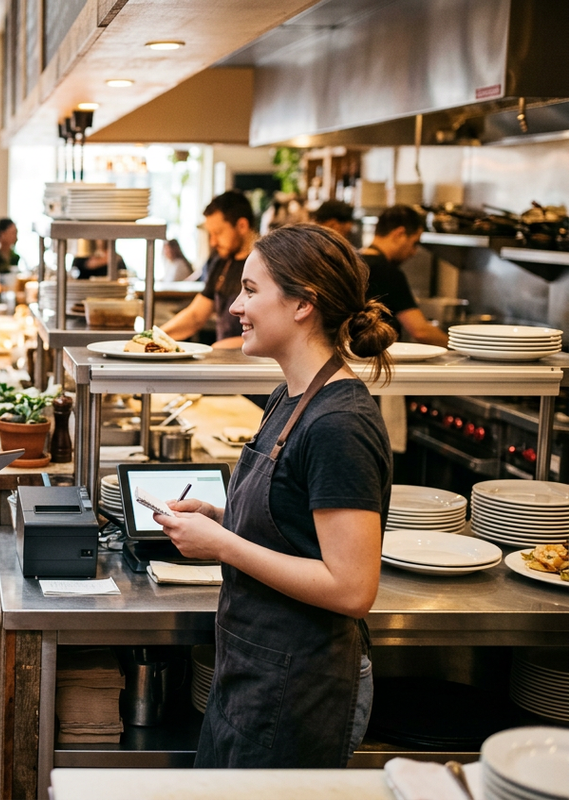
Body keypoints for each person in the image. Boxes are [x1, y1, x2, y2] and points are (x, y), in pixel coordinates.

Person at [155, 223, 395, 768]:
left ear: (303, 304)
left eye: (251, 289)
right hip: (255, 669)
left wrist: (222, 544)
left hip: (302, 684)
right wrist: (220, 516)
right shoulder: (288, 397)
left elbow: (352, 587)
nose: (236, 305)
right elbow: (293, 525)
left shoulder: (340, 424)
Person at [160, 191, 257, 349]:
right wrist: (154, 337)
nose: (213, 242)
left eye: (218, 233)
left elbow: (277, 332)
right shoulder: (220, 263)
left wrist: (222, 346)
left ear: (242, 226)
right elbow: (196, 316)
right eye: (210, 234)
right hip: (223, 359)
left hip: (256, 364)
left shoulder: (266, 264)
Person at [361, 205, 448, 347]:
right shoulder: (387, 272)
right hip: (378, 355)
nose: (413, 252)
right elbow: (420, 331)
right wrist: (459, 345)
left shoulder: (354, 261)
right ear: (399, 234)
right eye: (415, 243)